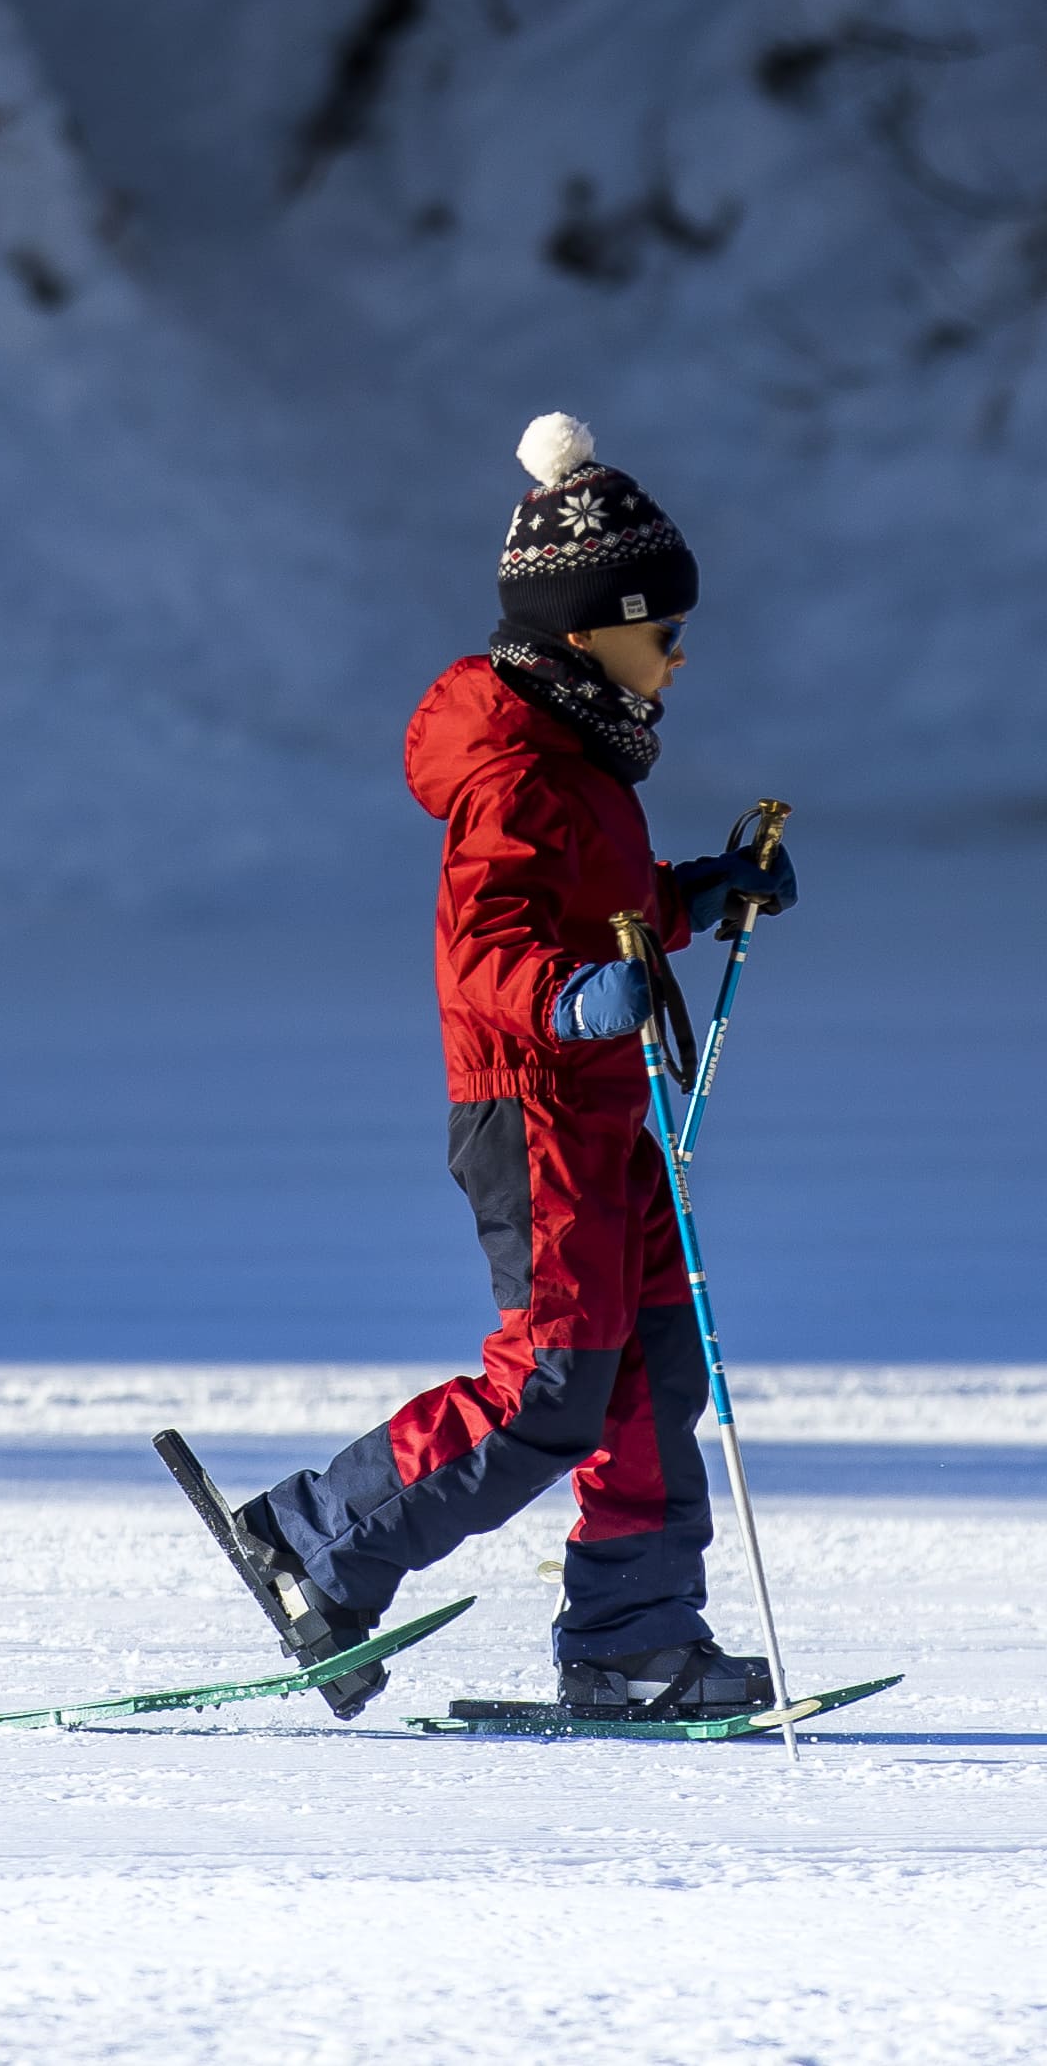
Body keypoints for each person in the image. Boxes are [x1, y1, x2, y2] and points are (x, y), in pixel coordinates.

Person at [199, 410, 802, 1718]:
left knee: (654, 1362)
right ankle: (316, 1544)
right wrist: (582, 997)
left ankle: (634, 1638)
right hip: (531, 1114)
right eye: (664, 634)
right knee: (551, 1387)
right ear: (589, 626)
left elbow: (613, 907)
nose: (679, 662)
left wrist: (710, 890)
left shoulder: (583, 762)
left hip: (600, 1114)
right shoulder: (520, 776)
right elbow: (489, 958)